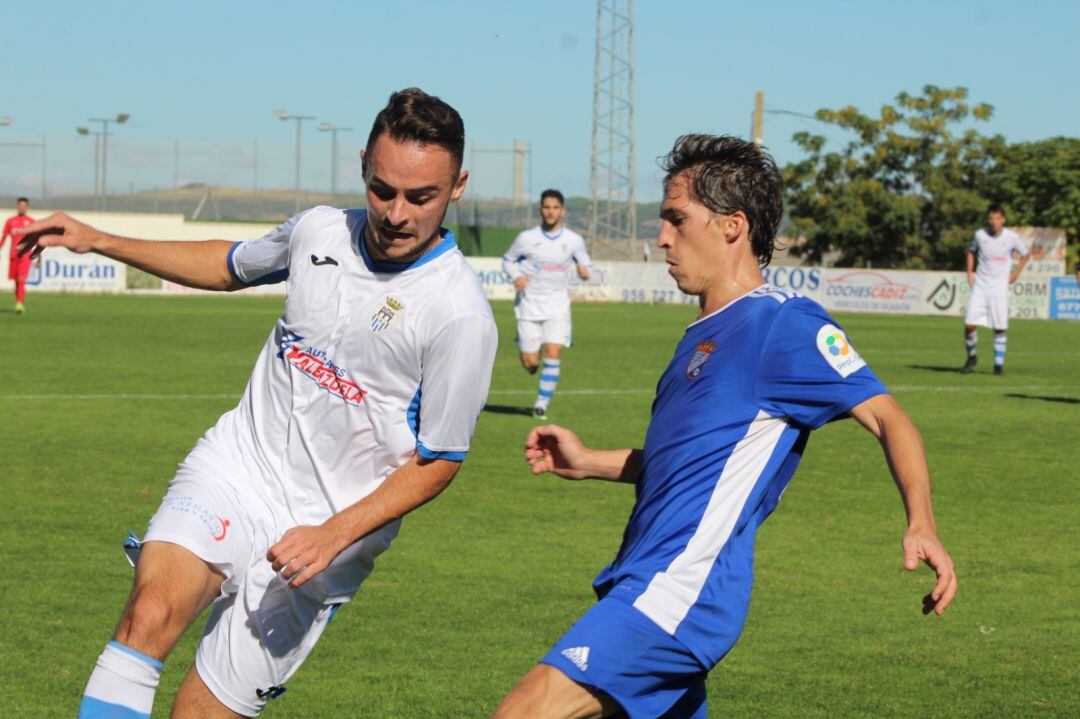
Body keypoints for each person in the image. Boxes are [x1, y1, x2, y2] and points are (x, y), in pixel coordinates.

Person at [17, 88, 498, 718]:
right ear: (362, 166)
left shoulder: (460, 314)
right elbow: (228, 266)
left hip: (322, 538)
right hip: (237, 469)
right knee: (150, 612)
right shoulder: (319, 230)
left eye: (421, 196)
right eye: (383, 190)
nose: (397, 213)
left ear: (457, 185)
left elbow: (438, 461)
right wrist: (96, 237)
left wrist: (334, 534)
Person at [493, 135, 957, 719]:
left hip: (679, 591)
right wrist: (589, 462)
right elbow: (692, 464)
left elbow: (889, 417)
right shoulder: (697, 338)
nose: (662, 237)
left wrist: (923, 521)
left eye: (676, 219)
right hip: (648, 579)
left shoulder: (782, 323)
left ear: (732, 225)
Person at [501, 189, 592, 419]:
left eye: (555, 207)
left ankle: (541, 404)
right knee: (531, 362)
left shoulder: (573, 240)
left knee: (553, 352)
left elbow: (586, 266)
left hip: (557, 306)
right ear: (541, 210)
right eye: (547, 207)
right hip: (529, 306)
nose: (551, 212)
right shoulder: (526, 238)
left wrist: (584, 272)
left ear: (563, 212)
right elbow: (508, 260)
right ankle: (529, 352)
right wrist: (516, 277)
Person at [961, 205, 1029, 375]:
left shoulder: (1011, 237)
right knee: (969, 324)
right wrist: (970, 273)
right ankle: (972, 356)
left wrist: (1016, 273)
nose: (994, 222)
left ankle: (998, 365)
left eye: (997, 218)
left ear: (1003, 219)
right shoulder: (980, 235)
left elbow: (1025, 254)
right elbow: (970, 252)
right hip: (980, 286)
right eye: (991, 218)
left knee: (999, 328)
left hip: (999, 288)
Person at [2, 197, 36, 313]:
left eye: (24, 205)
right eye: (20, 205)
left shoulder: (31, 222)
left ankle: (20, 303)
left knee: (21, 279)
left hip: (25, 254)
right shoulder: (10, 221)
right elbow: (4, 237)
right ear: (17, 206)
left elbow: (36, 240)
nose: (22, 207)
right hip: (13, 254)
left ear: (27, 207)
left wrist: (38, 254)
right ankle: (18, 301)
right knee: (16, 280)